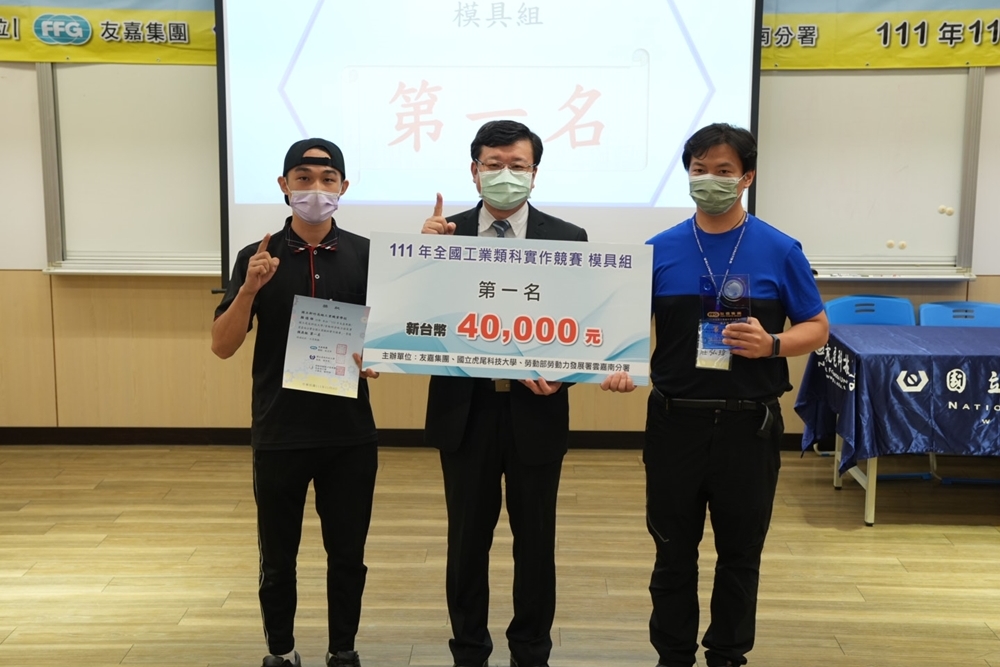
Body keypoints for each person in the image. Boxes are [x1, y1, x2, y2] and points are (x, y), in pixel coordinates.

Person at [602, 123, 829, 667]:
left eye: (723, 170)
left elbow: (817, 327)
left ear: (746, 177)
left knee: (740, 555)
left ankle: (727, 654)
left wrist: (774, 344)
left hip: (748, 426)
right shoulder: (659, 250)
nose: (710, 180)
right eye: (699, 170)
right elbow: (621, 333)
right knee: (671, 552)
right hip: (674, 422)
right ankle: (673, 654)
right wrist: (615, 368)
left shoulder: (780, 249)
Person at [420, 120, 587, 667]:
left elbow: (584, 328)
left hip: (536, 408)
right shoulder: (443, 237)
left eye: (517, 165)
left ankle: (531, 650)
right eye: (494, 165)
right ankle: (469, 649)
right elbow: (418, 319)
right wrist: (421, 258)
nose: (505, 174)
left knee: (535, 542)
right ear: (474, 172)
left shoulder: (569, 239)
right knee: (467, 541)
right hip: (464, 413)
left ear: (535, 174)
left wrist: (565, 374)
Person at [212, 138, 380, 667]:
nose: (315, 189)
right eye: (303, 179)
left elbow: (388, 338)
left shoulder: (367, 255)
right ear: (284, 185)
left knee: (348, 555)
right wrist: (249, 289)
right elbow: (222, 345)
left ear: (343, 187)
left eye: (327, 179)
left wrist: (375, 357)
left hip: (349, 433)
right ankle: (280, 651)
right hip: (280, 430)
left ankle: (343, 649)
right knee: (278, 559)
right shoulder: (257, 256)